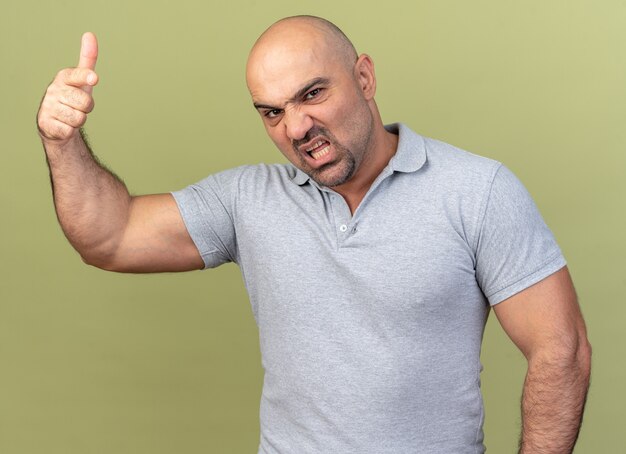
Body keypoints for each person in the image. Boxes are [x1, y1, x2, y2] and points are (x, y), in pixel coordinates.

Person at [37, 15, 591, 454]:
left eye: (312, 94)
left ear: (365, 77)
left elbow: (560, 350)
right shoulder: (247, 201)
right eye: (271, 112)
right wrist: (63, 140)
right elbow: (108, 237)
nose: (296, 127)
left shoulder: (476, 190)